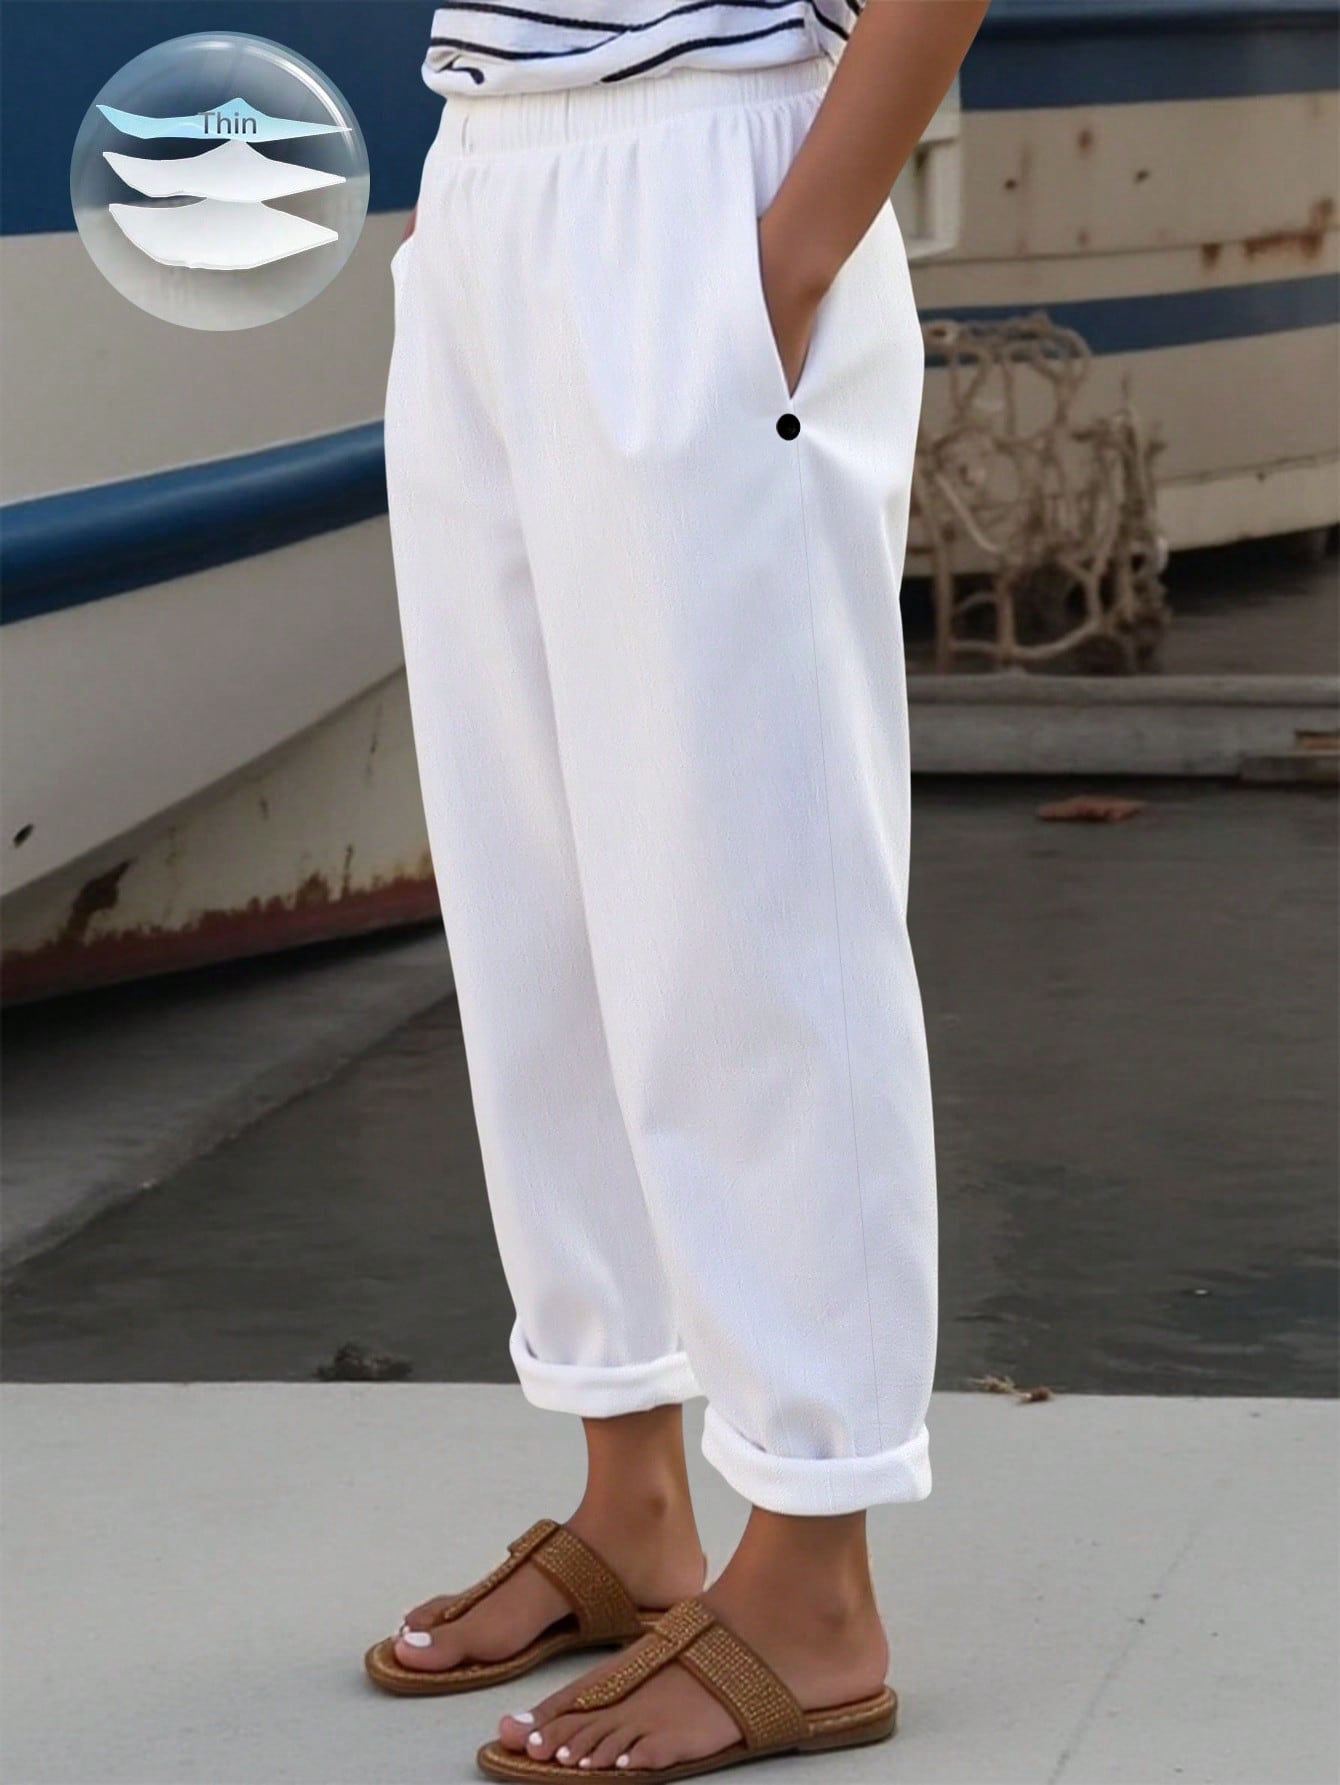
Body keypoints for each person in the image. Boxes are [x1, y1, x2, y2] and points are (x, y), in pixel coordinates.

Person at [369, 3, 990, 1778]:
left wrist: (786, 256)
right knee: (539, 888)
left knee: (754, 893)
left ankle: (813, 1575)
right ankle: (629, 1490)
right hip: (489, 173)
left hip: (717, 170)